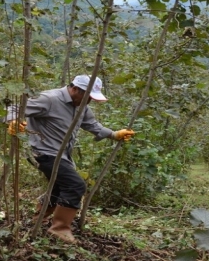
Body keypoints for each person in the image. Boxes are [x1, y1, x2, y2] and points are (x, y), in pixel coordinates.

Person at [8, 75, 135, 243]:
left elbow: (92, 125)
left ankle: (39, 219)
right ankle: (59, 229)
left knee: (59, 187)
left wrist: (114, 134)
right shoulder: (49, 99)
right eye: (87, 96)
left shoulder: (81, 106)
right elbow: (14, 108)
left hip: (62, 155)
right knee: (75, 185)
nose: (89, 101)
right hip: (42, 153)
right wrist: (13, 121)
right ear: (75, 89)